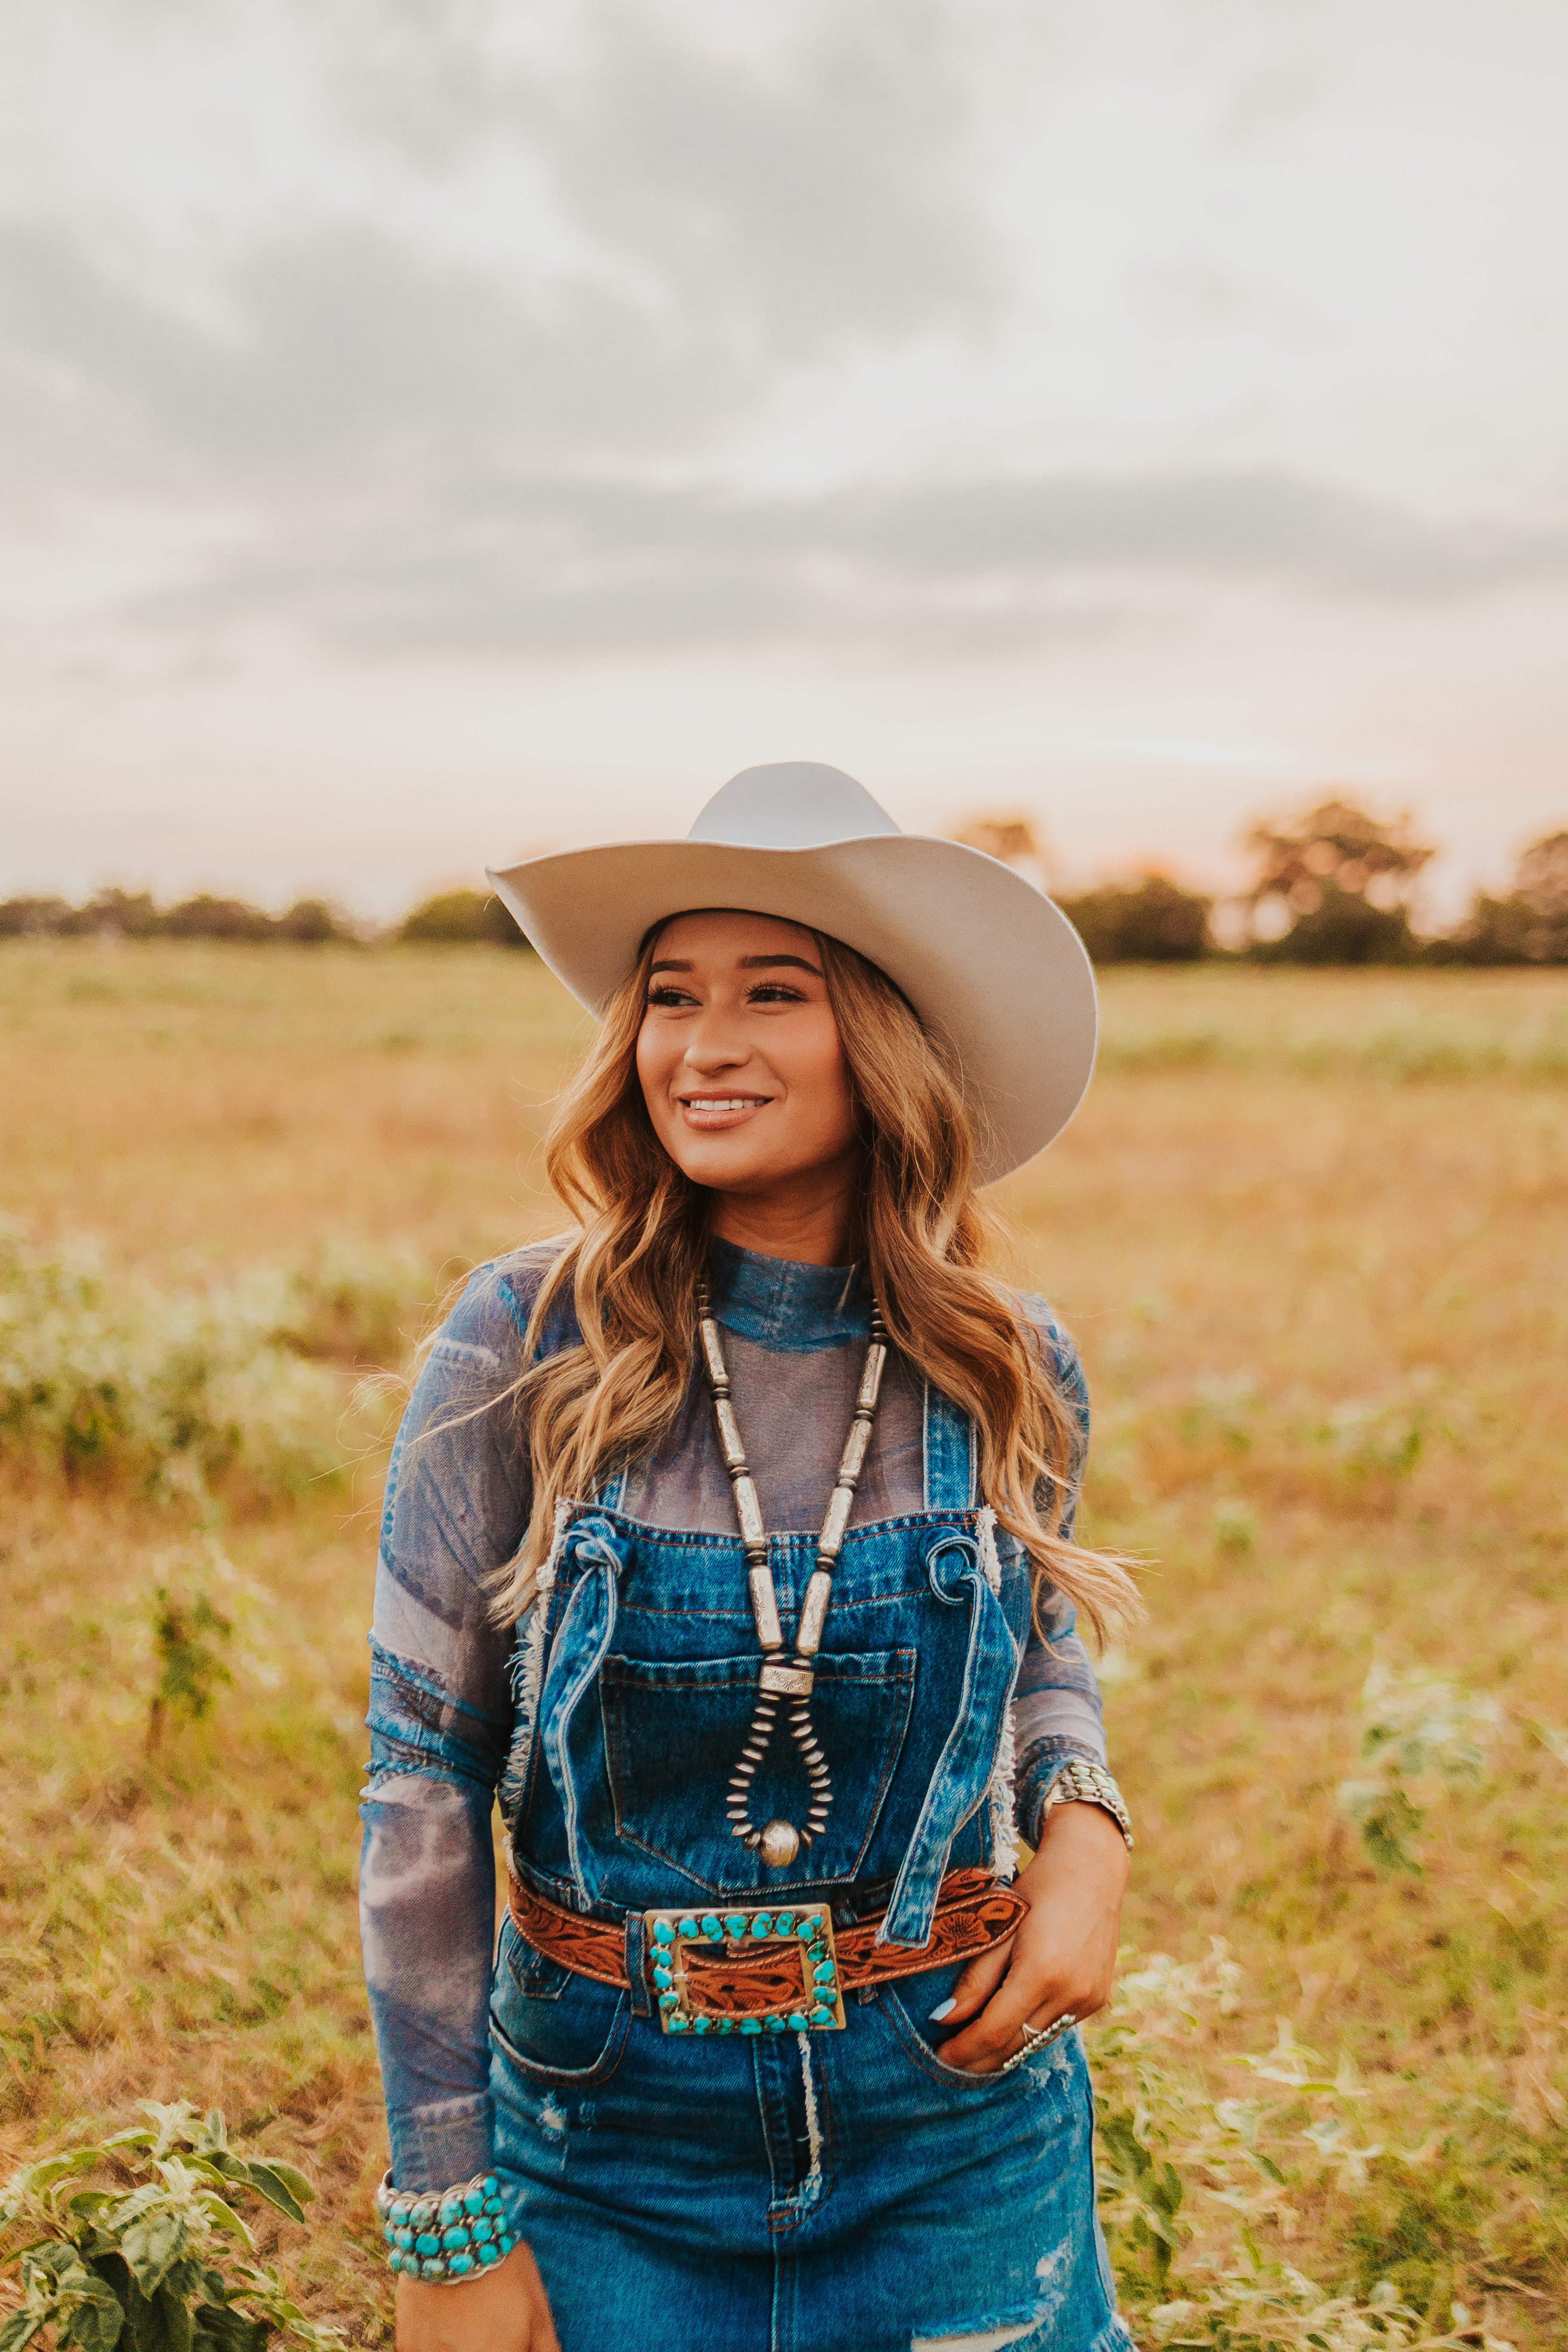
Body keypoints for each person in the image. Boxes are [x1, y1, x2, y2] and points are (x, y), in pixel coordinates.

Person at [361, 764, 1139, 2352]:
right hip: (608, 2141)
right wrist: (448, 2217)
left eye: (771, 993)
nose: (702, 1046)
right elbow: (419, 1776)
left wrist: (1087, 1829)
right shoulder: (519, 1342)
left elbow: (1038, 1637)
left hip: (955, 2129)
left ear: (886, 1036)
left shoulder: (1005, 1357)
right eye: (669, 997)